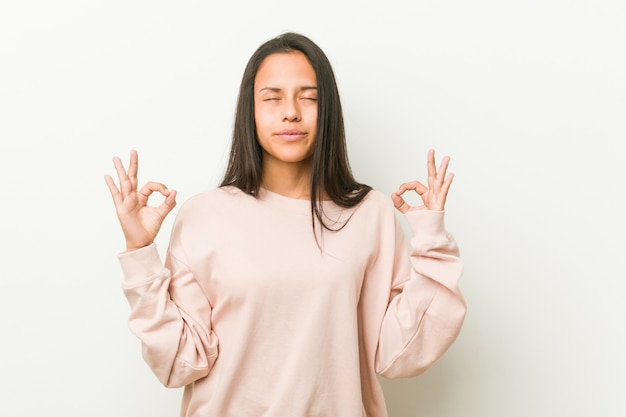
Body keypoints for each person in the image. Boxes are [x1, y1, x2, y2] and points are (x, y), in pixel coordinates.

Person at [105, 32, 466, 417]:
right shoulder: (203, 216)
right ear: (251, 111)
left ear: (328, 111)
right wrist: (139, 252)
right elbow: (180, 363)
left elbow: (399, 354)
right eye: (272, 98)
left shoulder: (370, 213)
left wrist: (430, 240)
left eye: (309, 97)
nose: (290, 112)